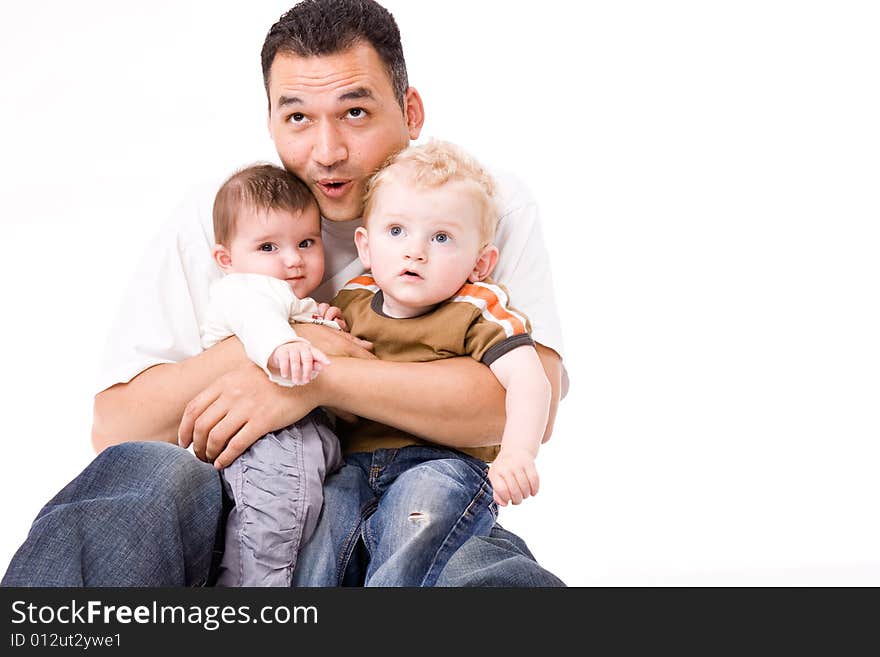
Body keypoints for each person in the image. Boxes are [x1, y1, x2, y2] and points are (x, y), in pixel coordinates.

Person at [2, 0, 566, 587]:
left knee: (484, 573)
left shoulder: (469, 203)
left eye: (354, 111)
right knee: (145, 473)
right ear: (270, 120)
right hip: (238, 511)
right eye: (297, 118)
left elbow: (521, 405)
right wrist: (278, 346)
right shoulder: (230, 212)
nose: (326, 151)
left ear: (410, 110)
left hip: (410, 500)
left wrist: (311, 382)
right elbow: (117, 427)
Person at [304, 140, 550, 586]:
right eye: (396, 231)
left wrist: (518, 451)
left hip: (441, 463)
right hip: (354, 466)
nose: (415, 251)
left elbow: (530, 379)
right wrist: (324, 326)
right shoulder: (354, 299)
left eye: (440, 238)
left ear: (480, 262)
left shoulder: (477, 306)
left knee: (421, 516)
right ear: (366, 245)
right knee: (319, 533)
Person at [202, 164, 345, 586]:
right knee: (273, 527)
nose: (292, 259)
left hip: (302, 432)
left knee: (299, 527)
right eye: (268, 246)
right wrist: (285, 346)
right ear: (227, 259)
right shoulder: (245, 289)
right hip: (271, 437)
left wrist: (323, 322)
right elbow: (259, 320)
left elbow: (285, 316)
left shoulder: (288, 297)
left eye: (306, 242)